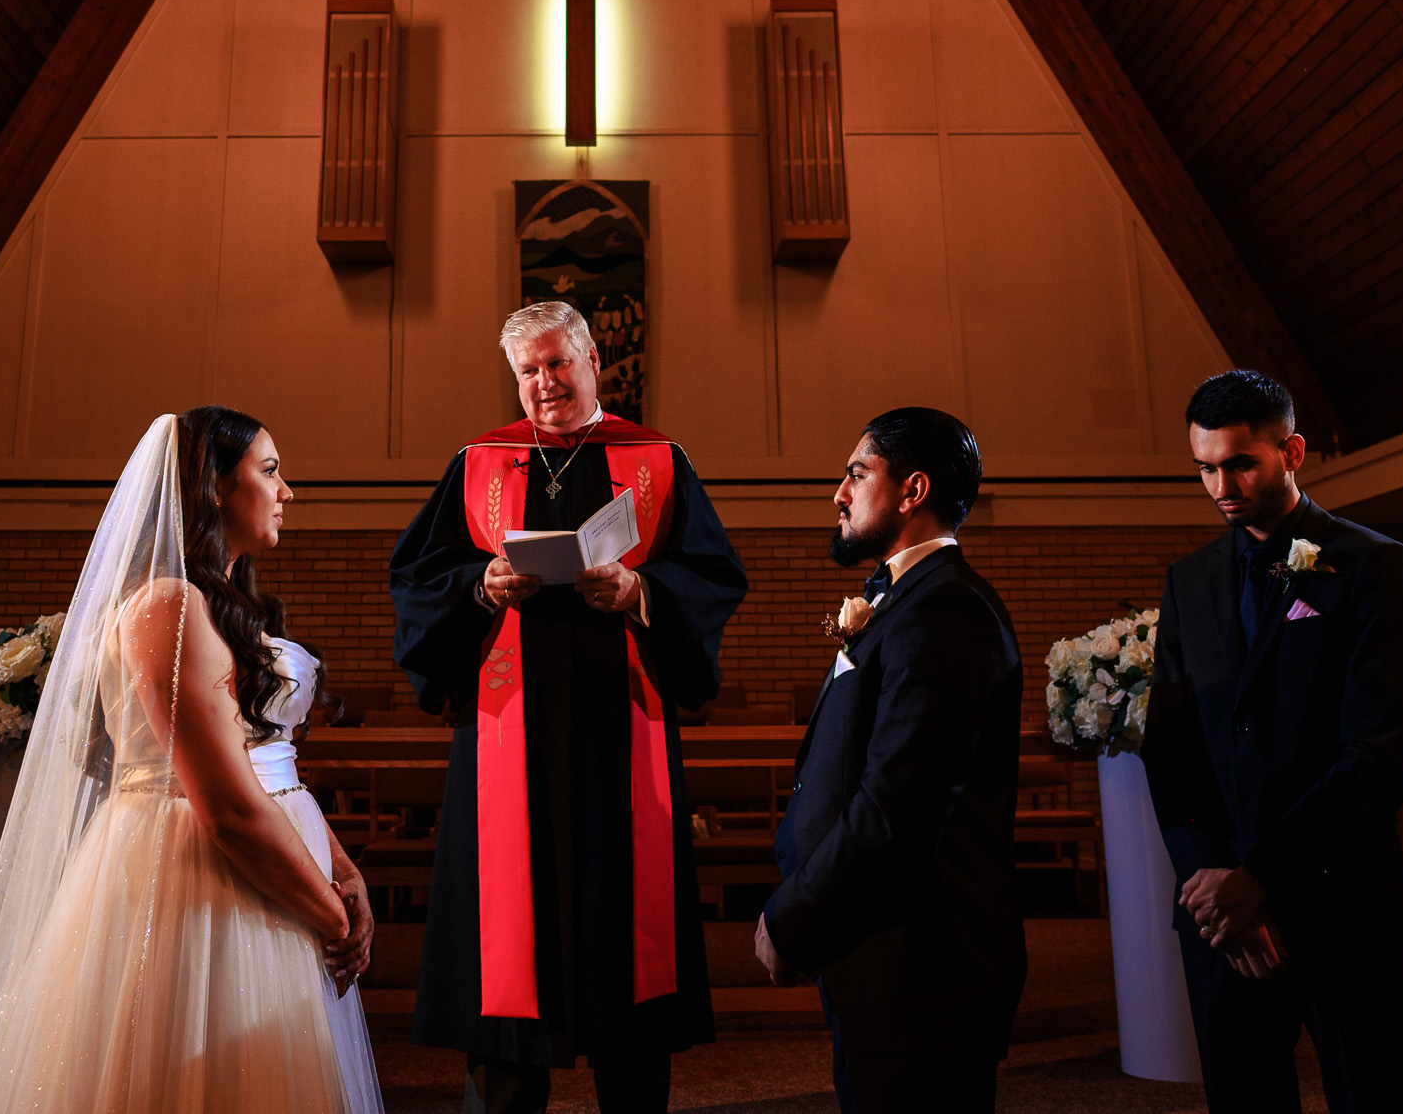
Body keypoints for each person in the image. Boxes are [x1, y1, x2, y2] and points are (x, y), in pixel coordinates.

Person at [0, 408, 382, 1114]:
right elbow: (225, 805)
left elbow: (268, 764)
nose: (287, 491)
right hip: (198, 876)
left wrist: (342, 870)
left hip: (276, 866)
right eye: (270, 470)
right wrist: (331, 914)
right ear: (214, 487)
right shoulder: (167, 606)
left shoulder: (219, 607)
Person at [389, 301, 748, 1114]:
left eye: (557, 363)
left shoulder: (655, 458)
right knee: (509, 960)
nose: (544, 382)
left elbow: (714, 576)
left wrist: (640, 589)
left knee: (627, 950)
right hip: (507, 742)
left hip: (621, 735)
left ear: (594, 360)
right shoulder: (480, 461)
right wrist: (478, 586)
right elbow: (415, 579)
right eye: (528, 370)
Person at [1140, 370, 1403, 1113]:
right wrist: (1213, 886)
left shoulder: (1372, 563)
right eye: (1205, 466)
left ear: (1291, 450)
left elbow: (1376, 753)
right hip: (1221, 915)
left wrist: (1259, 876)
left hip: (1340, 899)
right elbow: (1171, 750)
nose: (1220, 484)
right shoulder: (1190, 580)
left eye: (1240, 462)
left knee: (1377, 1097)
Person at [755, 407, 1026, 1111]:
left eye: (856, 473)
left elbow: (899, 800)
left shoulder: (946, 610)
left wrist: (795, 912)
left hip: (924, 970)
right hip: (880, 959)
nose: (839, 493)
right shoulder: (903, 599)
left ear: (911, 491)